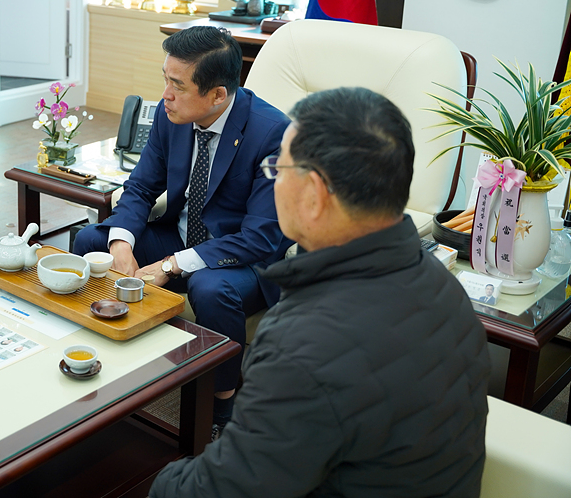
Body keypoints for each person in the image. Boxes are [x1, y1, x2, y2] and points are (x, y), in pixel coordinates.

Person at [150, 87, 490, 498]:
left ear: (313, 194)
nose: (272, 181)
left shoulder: (303, 346)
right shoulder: (444, 287)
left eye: (277, 169)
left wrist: (160, 479)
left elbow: (224, 489)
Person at [73, 26, 292, 432]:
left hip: (242, 257)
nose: (165, 95)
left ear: (217, 95)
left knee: (208, 287)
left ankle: (221, 406)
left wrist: (172, 265)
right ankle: (110, 349)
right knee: (92, 241)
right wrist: (122, 244)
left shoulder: (273, 133)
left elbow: (261, 237)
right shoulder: (171, 115)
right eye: (165, 79)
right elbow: (140, 186)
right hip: (182, 234)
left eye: (177, 85)